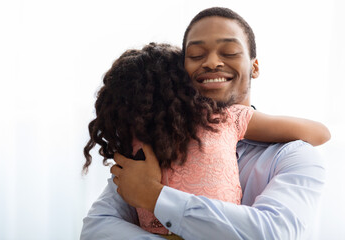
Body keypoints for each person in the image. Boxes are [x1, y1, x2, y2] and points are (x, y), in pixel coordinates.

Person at [81, 7, 329, 240]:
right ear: (180, 71)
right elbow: (97, 228)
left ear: (254, 67)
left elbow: (272, 232)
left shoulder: (293, 155)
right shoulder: (159, 142)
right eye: (196, 55)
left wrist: (154, 196)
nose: (211, 63)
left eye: (229, 52)